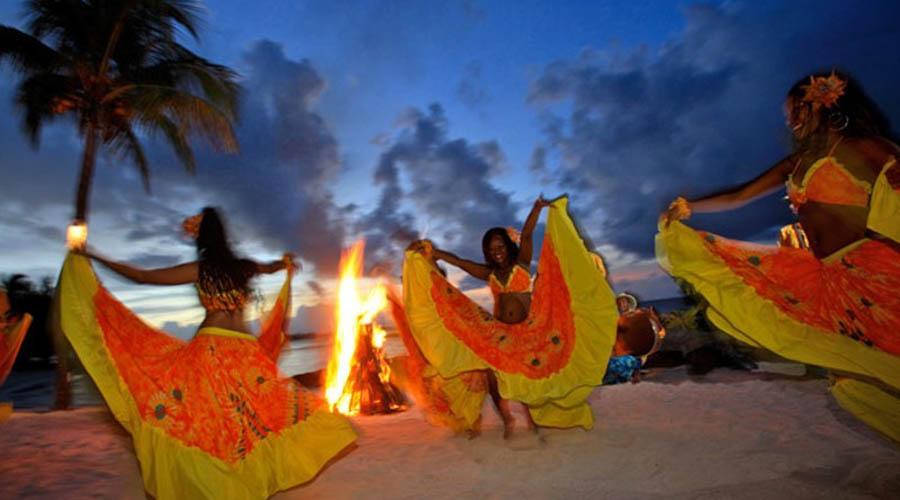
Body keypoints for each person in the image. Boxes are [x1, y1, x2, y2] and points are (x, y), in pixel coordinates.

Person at [658, 70, 900, 441]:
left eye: (794, 111)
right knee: (850, 374)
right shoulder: (797, 164)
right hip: (829, 281)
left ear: (820, 104)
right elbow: (740, 195)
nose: (789, 120)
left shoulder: (862, 146)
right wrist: (691, 207)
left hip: (871, 272)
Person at [59, 207, 357, 498]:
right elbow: (268, 267)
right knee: (256, 414)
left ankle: (229, 484)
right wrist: (284, 263)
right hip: (242, 348)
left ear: (202, 238)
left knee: (216, 422)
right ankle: (235, 484)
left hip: (213, 347)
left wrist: (92, 254)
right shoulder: (242, 266)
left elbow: (141, 276)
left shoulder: (201, 269)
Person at [402, 196, 619, 437]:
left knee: (526, 379)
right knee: (495, 383)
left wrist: (536, 209)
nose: (497, 252)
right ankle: (507, 421)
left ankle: (533, 421)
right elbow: (461, 262)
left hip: (529, 330)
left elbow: (526, 236)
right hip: (500, 334)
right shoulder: (489, 272)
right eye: (492, 249)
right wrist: (435, 252)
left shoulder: (522, 264)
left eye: (500, 246)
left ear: (508, 245)